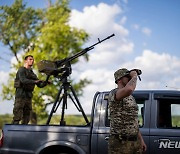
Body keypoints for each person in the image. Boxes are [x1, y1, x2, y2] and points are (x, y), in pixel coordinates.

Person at [108, 68, 147, 154]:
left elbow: (134, 121)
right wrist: (134, 75)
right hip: (120, 143)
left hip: (134, 141)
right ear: (119, 80)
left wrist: (141, 140)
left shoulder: (131, 97)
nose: (129, 79)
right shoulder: (114, 93)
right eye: (127, 77)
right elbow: (129, 89)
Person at [12, 55, 48, 124]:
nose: (32, 61)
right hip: (20, 96)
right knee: (17, 117)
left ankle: (23, 133)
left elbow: (39, 85)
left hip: (28, 97)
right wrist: (34, 81)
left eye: (33, 60)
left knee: (26, 118)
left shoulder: (32, 73)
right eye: (30, 59)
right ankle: (10, 133)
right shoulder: (21, 70)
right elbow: (23, 80)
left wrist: (46, 81)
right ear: (25, 61)